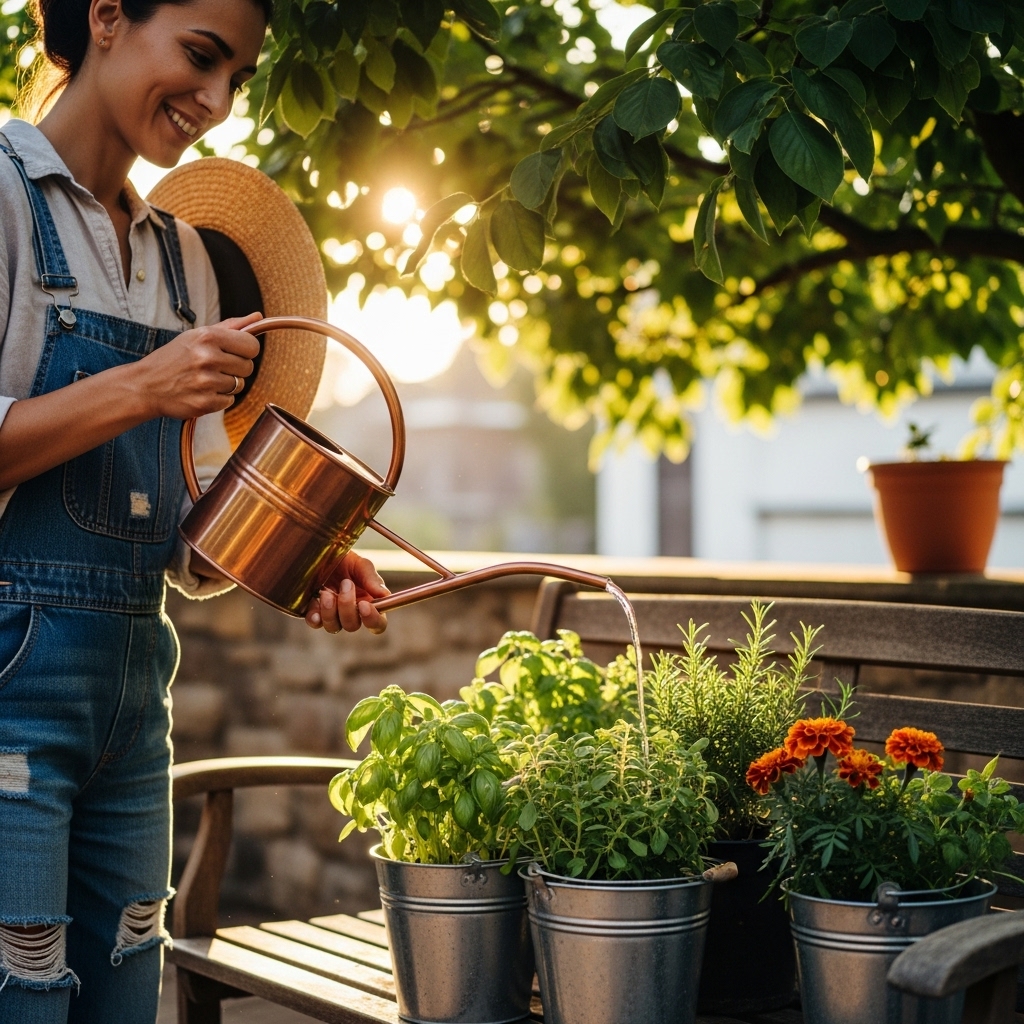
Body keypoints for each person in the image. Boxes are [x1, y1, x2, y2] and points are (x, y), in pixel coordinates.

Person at [0, 1, 388, 1020]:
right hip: (12, 701)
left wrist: (301, 567)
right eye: (203, 57)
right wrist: (141, 386)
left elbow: (188, 542)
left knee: (130, 1000)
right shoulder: (2, 195)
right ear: (109, 17)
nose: (215, 101)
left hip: (138, 709)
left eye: (239, 78)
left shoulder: (187, 261)